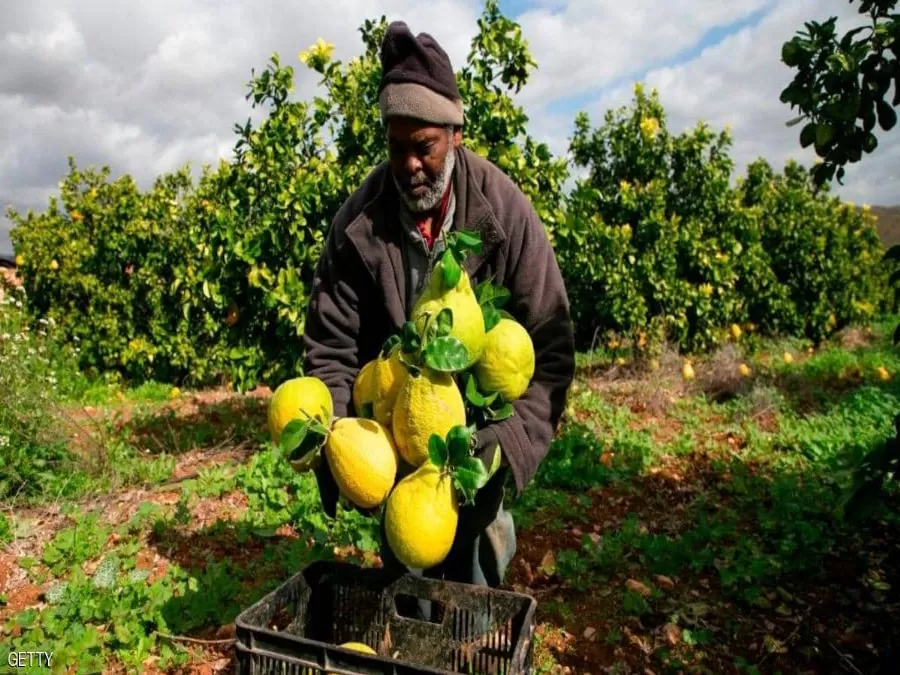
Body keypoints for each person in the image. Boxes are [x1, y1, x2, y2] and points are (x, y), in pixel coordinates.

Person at [302, 20, 575, 596]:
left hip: (480, 435)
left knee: (478, 572)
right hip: (400, 438)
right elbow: (331, 346)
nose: (409, 165)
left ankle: (478, 615)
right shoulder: (359, 226)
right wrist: (346, 446)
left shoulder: (503, 212)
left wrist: (509, 444)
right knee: (410, 570)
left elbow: (551, 345)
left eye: (423, 146)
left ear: (454, 133)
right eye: (396, 148)